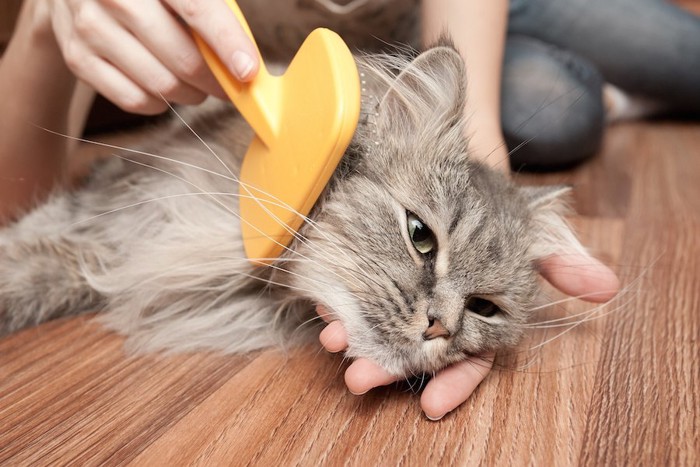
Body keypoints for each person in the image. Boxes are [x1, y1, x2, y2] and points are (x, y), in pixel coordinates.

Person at [0, 0, 623, 420]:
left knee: (626, 71)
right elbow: (20, 201)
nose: (440, 323)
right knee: (562, 104)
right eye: (422, 239)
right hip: (343, 82)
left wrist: (480, 145)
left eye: (482, 307)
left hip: (435, 26)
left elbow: (453, 80)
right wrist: (41, 24)